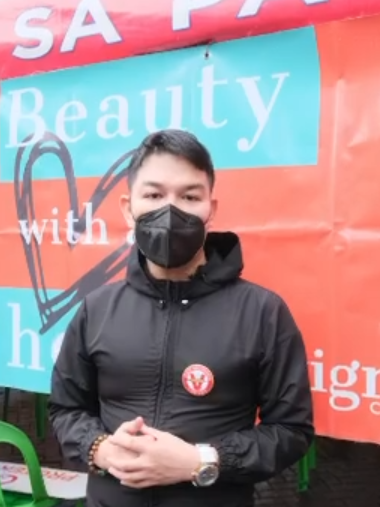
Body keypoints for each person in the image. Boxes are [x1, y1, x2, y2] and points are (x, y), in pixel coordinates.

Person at [48, 129, 314, 507]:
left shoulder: (263, 313)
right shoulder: (97, 309)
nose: (170, 211)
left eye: (189, 196)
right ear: (128, 207)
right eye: (154, 195)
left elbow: (291, 431)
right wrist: (100, 449)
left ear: (211, 209)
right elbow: (66, 409)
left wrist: (200, 461)